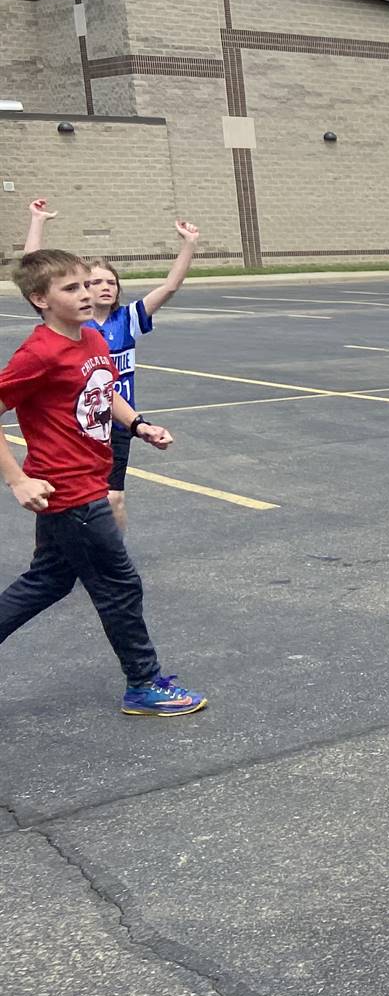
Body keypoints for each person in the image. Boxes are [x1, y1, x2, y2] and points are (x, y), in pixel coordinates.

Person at [0, 248, 207, 715]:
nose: (87, 294)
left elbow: (105, 391)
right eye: (71, 288)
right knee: (120, 585)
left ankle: (143, 682)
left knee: (48, 581)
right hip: (69, 491)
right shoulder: (39, 354)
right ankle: (144, 683)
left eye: (87, 285)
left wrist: (139, 425)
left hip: (87, 479)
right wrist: (17, 480)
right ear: (40, 299)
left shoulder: (92, 340)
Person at [23, 201, 201, 534]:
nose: (105, 287)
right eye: (95, 282)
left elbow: (170, 286)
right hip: (76, 427)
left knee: (113, 498)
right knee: (62, 501)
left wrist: (189, 244)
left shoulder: (128, 319)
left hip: (118, 422)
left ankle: (111, 557)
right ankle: (61, 554)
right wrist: (37, 222)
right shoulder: (72, 325)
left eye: (111, 282)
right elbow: (36, 273)